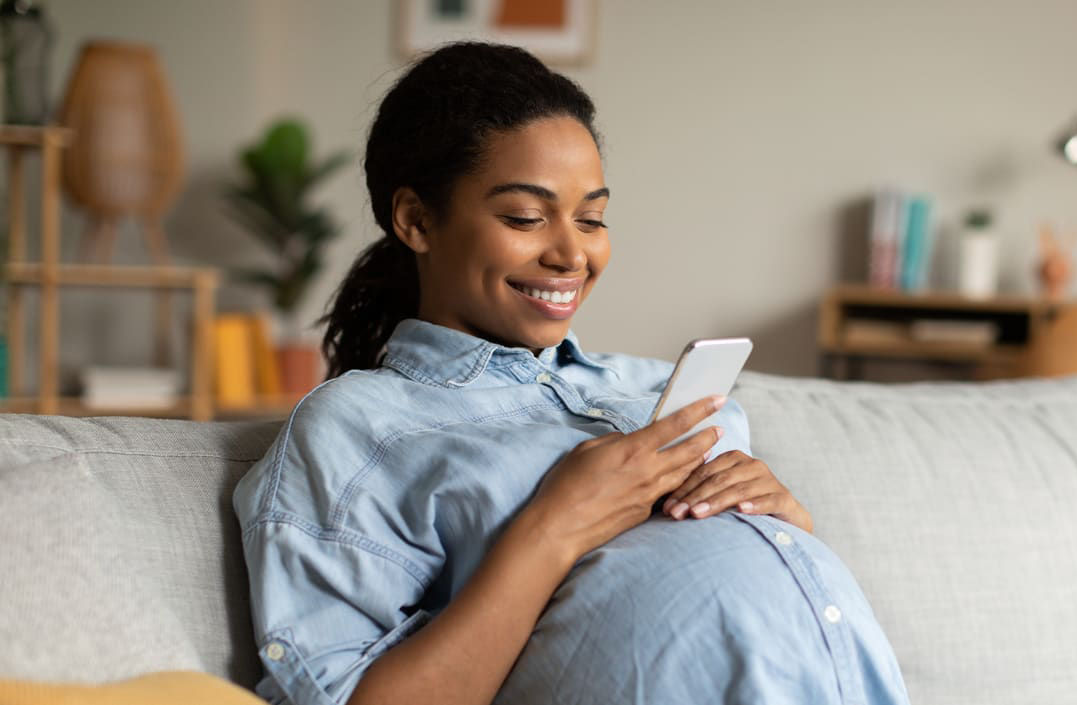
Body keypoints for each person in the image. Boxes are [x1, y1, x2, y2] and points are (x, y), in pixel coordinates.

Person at [233, 41, 910, 705]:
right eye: (525, 217)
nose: (571, 254)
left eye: (591, 219)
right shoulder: (356, 430)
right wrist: (553, 526)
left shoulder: (655, 388)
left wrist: (787, 524)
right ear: (416, 220)